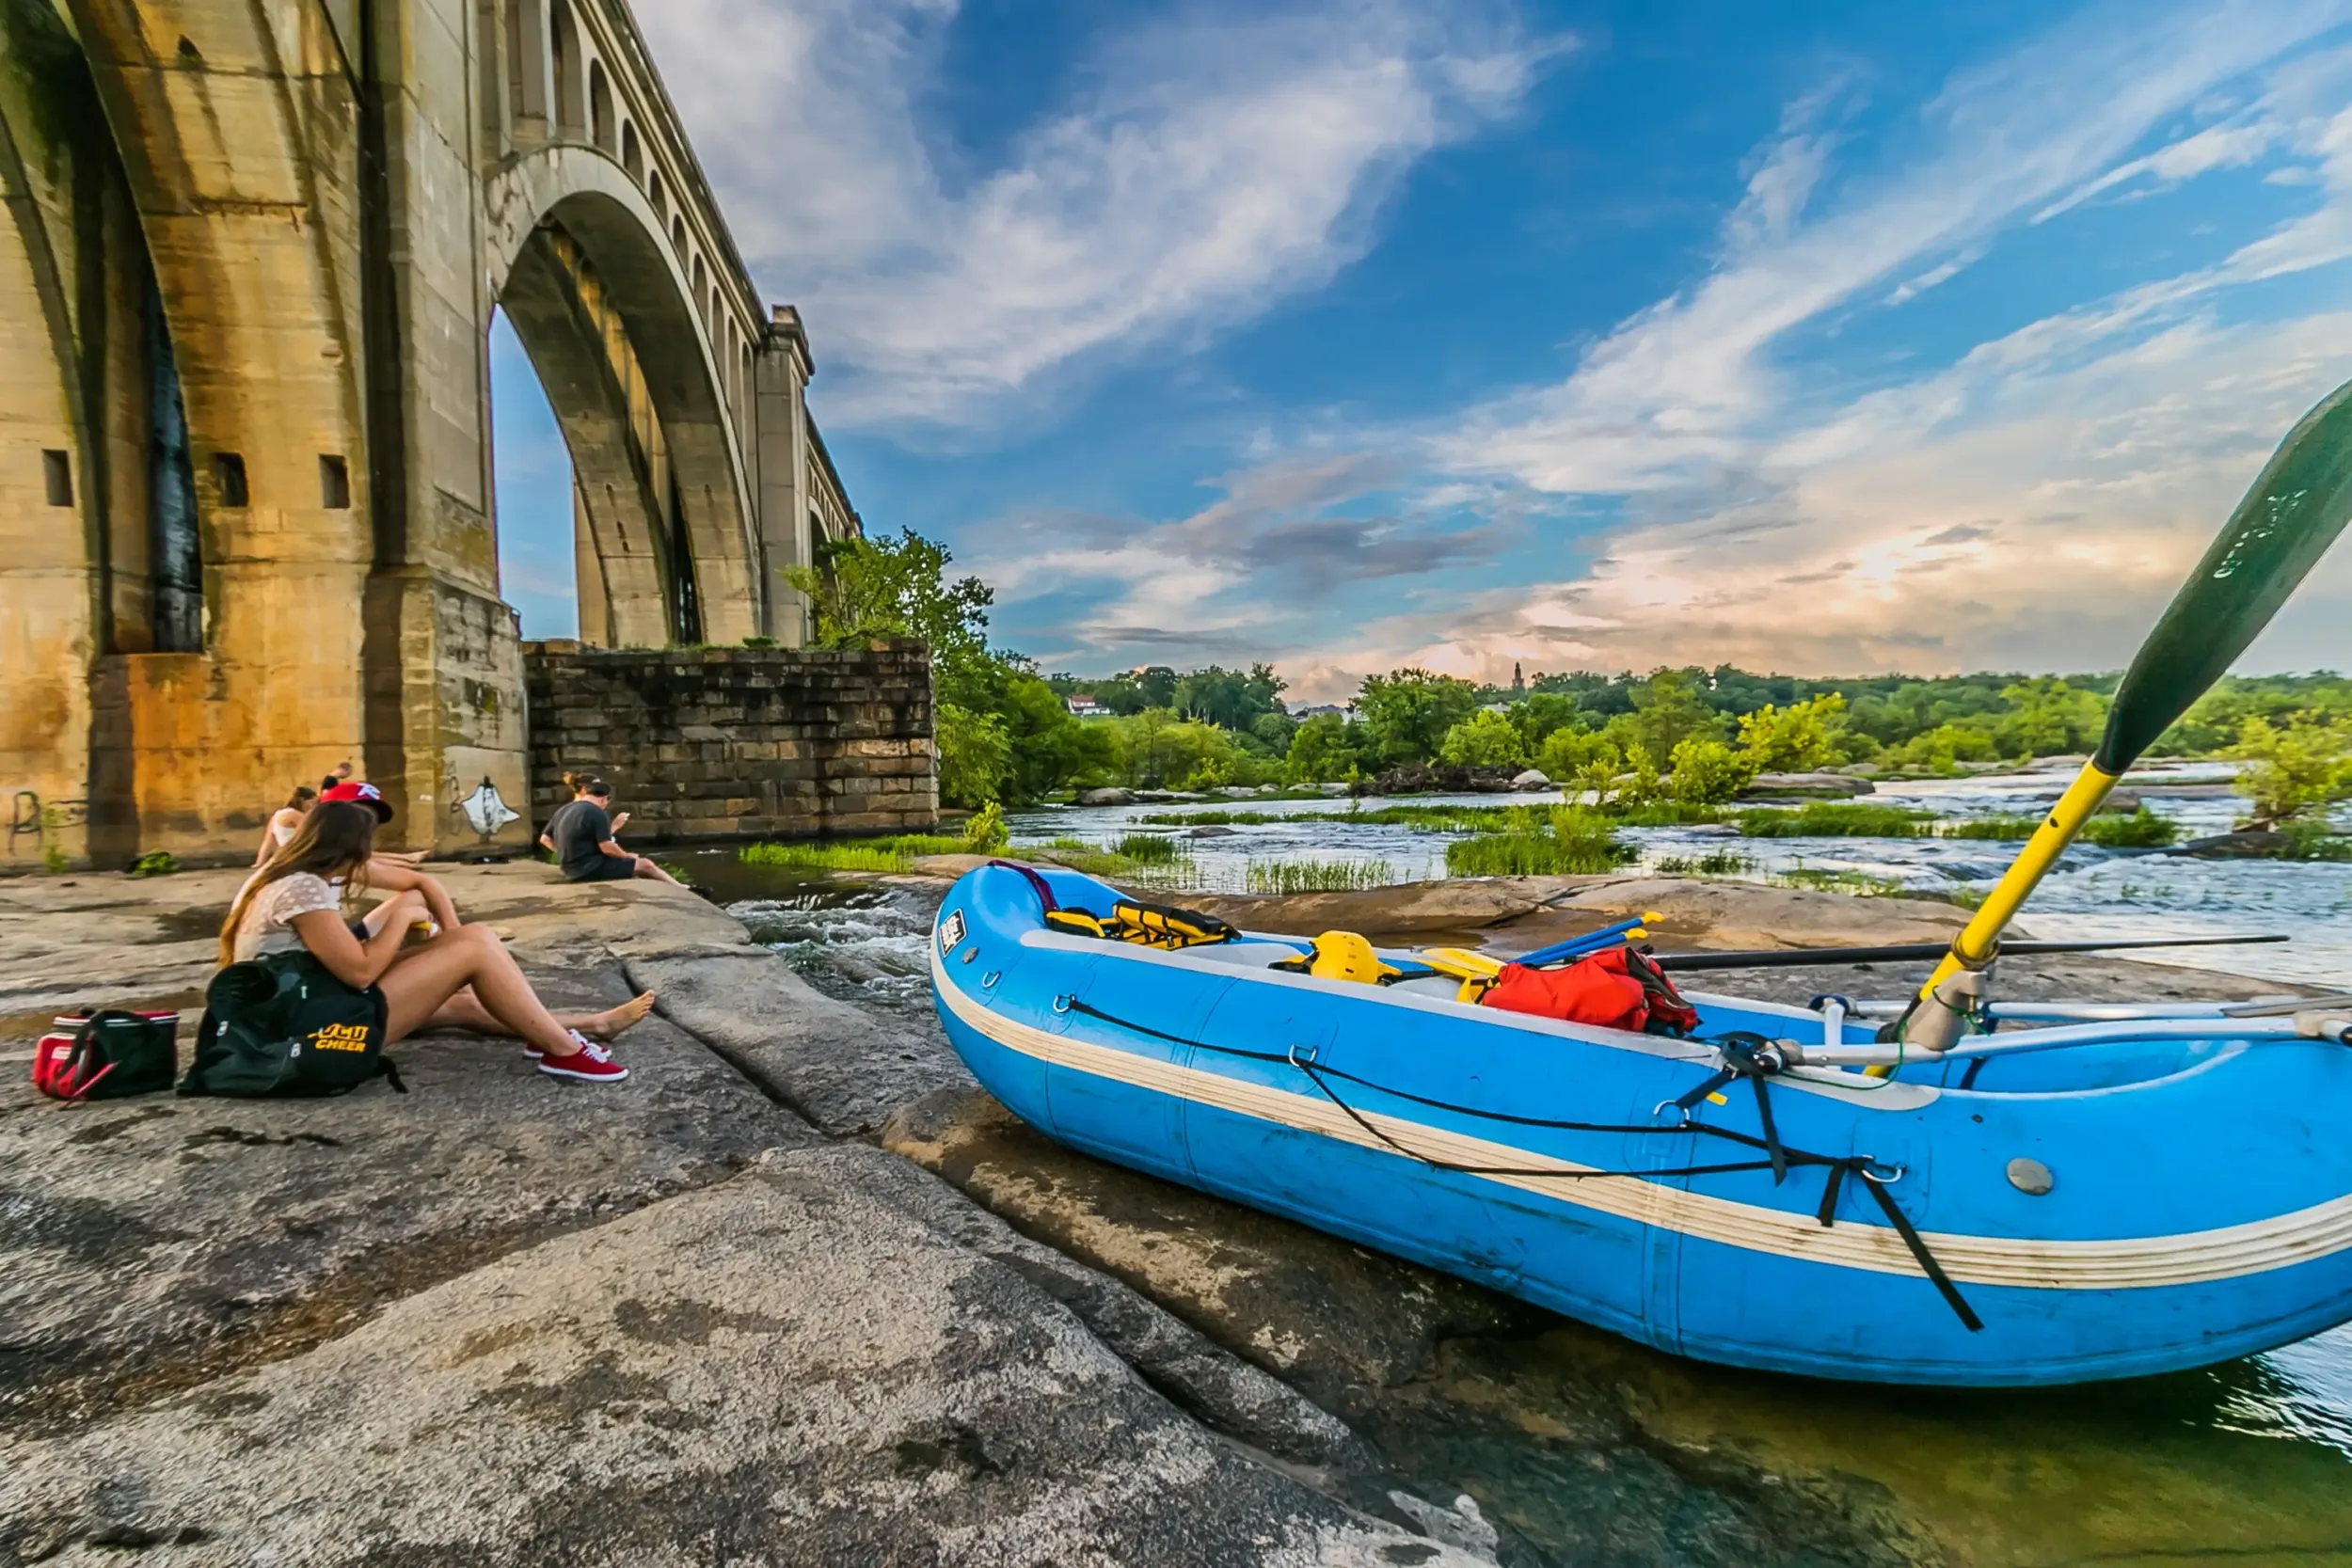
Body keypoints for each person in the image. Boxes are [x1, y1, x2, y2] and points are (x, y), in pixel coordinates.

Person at [220, 800, 646, 1081]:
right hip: (310, 1036)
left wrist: (430, 944)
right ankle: (563, 1051)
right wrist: (403, 921)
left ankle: (588, 1027)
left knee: (464, 998)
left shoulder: (291, 875)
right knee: (475, 945)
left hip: (300, 1011)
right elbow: (360, 973)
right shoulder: (301, 888)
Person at [540, 774, 678, 885]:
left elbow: (545, 839)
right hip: (588, 870)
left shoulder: (564, 809)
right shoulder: (597, 812)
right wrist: (627, 856)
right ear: (603, 798)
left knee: (632, 866)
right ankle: (682, 888)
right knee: (645, 865)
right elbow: (607, 847)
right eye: (608, 800)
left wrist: (565, 853)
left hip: (568, 869)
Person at [255, 785, 318, 865]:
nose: (313, 807)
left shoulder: (277, 814)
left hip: (285, 855)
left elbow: (268, 841)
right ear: (302, 800)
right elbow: (314, 835)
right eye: (312, 803)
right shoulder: (297, 815)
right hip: (297, 855)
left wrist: (259, 862)